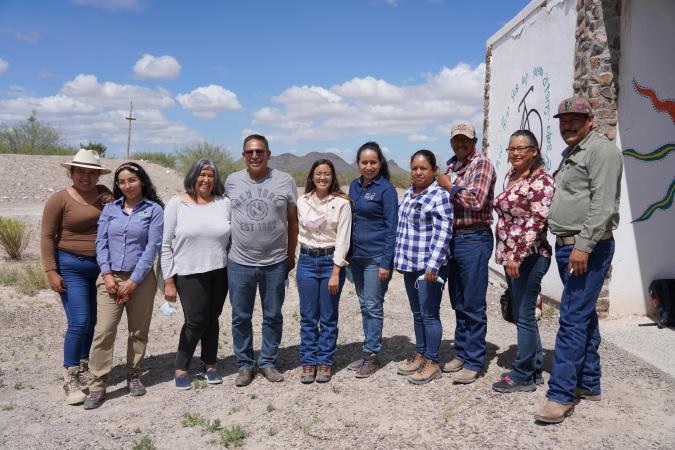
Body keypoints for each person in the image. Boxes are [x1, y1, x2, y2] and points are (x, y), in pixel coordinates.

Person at [535, 96, 622, 423]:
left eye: (575, 119)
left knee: (570, 317)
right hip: (568, 246)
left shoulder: (602, 152)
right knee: (582, 316)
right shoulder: (573, 152)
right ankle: (588, 383)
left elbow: (603, 206)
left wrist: (583, 246)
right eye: (563, 120)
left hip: (587, 248)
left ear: (591, 121)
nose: (567, 125)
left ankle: (561, 395)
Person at [83, 162, 164, 409]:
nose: (127, 186)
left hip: (140, 279)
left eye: (132, 180)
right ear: (117, 185)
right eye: (122, 181)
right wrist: (106, 274)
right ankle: (98, 383)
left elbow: (152, 247)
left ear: (142, 182)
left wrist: (133, 281)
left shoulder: (154, 210)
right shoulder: (110, 209)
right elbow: (101, 243)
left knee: (138, 330)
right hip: (110, 278)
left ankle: (134, 372)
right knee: (104, 330)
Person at [225, 134, 299, 387]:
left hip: (275, 262)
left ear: (268, 154)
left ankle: (268, 361)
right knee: (240, 316)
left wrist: (291, 254)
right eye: (249, 152)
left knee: (272, 315)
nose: (254, 156)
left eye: (259, 151)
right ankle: (245, 365)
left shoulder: (284, 181)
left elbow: (293, 221)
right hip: (239, 262)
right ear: (243, 155)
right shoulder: (232, 182)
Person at [40, 149, 112, 405]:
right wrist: (51, 270)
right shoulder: (59, 199)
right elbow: (47, 236)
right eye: (80, 171)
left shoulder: (104, 196)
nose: (86, 177)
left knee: (92, 321)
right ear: (71, 172)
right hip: (70, 265)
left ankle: (83, 368)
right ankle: (70, 376)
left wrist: (109, 197)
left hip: (100, 267)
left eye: (91, 172)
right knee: (79, 321)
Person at [491, 130, 554, 394]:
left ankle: (522, 375)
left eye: (521, 148)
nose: (515, 153)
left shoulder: (542, 181)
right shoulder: (512, 177)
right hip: (512, 258)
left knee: (524, 315)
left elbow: (536, 222)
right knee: (523, 313)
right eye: (511, 149)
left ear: (534, 151)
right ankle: (535, 368)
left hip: (529, 257)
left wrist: (516, 255)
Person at [161, 159, 231, 390]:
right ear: (193, 176)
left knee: (212, 318)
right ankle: (182, 367)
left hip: (220, 270)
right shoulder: (177, 204)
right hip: (188, 272)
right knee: (195, 320)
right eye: (202, 174)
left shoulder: (223, 203)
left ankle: (210, 364)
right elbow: (165, 244)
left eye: (211, 175)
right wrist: (168, 280)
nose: (206, 179)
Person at [437, 123, 496, 384]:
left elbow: (476, 200)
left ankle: (474, 360)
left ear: (474, 141)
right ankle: (461, 352)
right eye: (456, 140)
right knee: (458, 300)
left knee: (473, 302)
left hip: (474, 236)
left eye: (465, 140)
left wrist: (448, 187)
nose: (460, 145)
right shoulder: (451, 167)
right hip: (453, 239)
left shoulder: (481, 164)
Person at [394, 150, 453, 385]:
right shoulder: (409, 193)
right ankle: (420, 353)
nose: (418, 172)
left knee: (429, 315)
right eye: (415, 168)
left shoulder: (439, 195)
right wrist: (400, 260)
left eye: (423, 168)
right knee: (417, 312)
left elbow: (443, 232)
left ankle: (432, 361)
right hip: (410, 264)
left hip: (429, 267)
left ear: (433, 170)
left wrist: (433, 266)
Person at [296, 159, 351, 384]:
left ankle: (325, 361)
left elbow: (343, 238)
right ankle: (309, 361)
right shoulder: (302, 201)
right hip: (307, 261)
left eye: (327, 174)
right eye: (318, 173)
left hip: (331, 261)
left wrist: (336, 271)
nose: (322, 178)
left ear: (332, 177)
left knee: (328, 316)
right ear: (311, 176)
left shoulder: (341, 203)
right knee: (308, 316)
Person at [347, 141, 398, 378]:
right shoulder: (354, 187)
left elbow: (392, 227)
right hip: (356, 257)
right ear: (358, 164)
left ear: (380, 164)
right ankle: (367, 350)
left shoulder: (386, 189)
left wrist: (387, 262)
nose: (368, 166)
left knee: (373, 306)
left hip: (376, 257)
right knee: (364, 305)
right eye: (364, 162)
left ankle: (372, 355)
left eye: (373, 162)